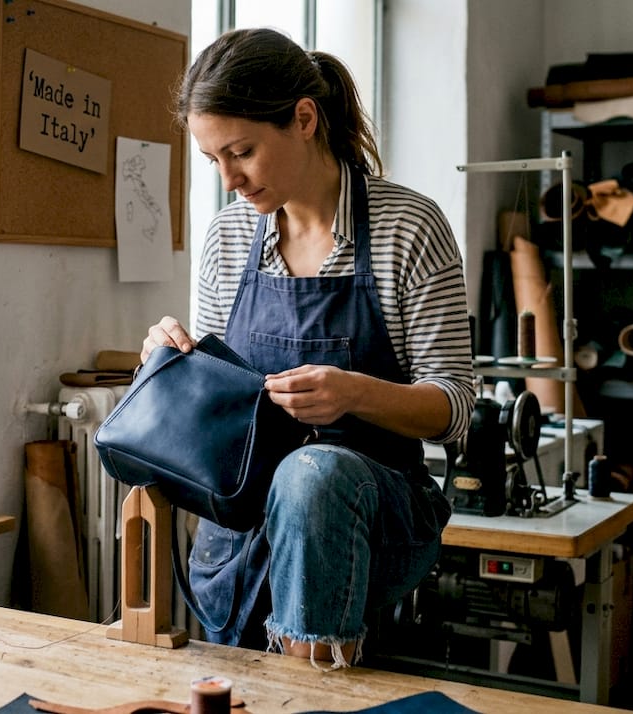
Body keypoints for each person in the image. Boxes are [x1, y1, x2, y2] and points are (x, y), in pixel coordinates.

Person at [139, 27, 475, 668]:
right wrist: (169, 364)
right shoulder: (229, 236)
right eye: (213, 160)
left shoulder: (408, 227)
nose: (229, 178)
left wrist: (355, 395)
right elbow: (213, 409)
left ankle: (307, 687)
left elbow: (454, 406)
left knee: (311, 474)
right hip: (241, 523)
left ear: (303, 118)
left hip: (373, 516)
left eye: (241, 151)